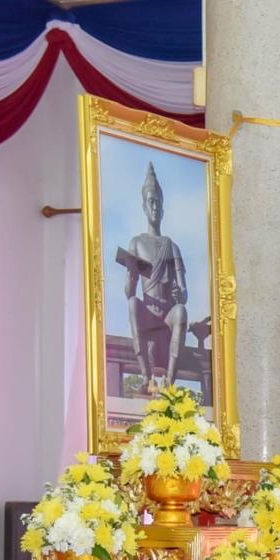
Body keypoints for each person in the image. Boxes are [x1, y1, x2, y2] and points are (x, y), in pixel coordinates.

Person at [122, 163, 189, 392]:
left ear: (163, 209)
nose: (154, 206)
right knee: (133, 303)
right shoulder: (136, 243)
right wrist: (131, 275)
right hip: (148, 312)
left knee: (181, 311)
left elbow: (184, 294)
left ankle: (169, 382)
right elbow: (129, 293)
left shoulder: (172, 246)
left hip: (167, 313)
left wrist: (180, 294)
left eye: (158, 202)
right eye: (150, 201)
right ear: (144, 206)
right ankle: (146, 377)